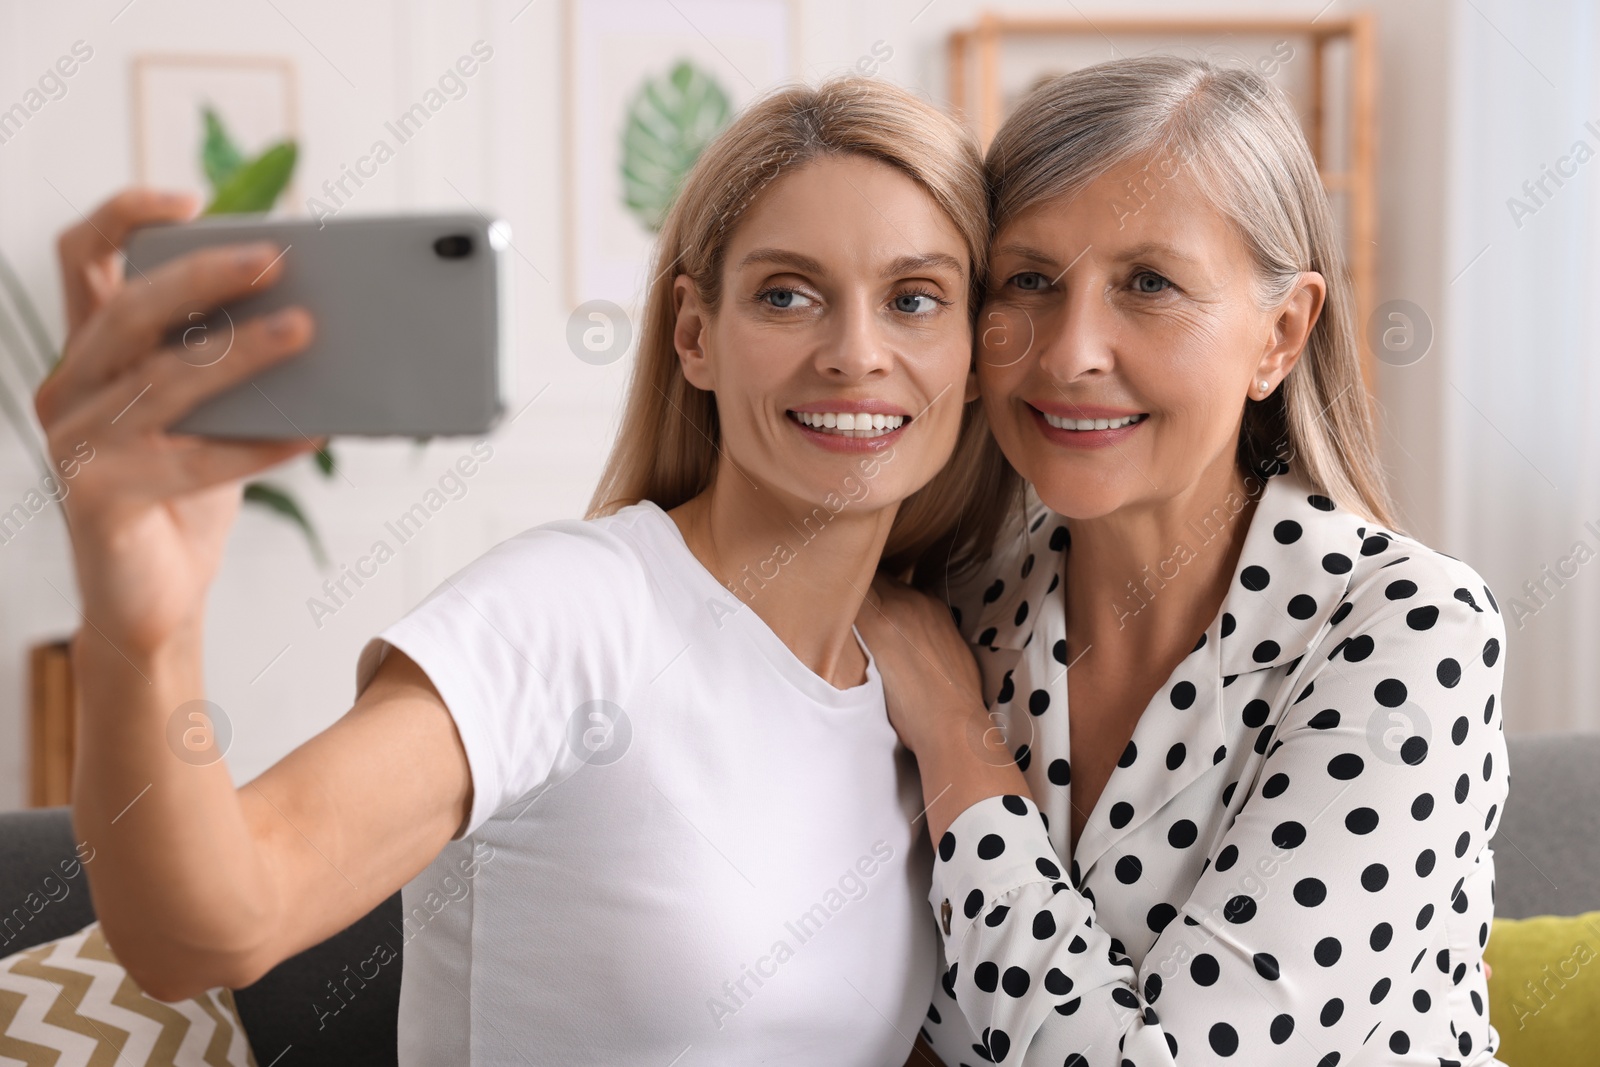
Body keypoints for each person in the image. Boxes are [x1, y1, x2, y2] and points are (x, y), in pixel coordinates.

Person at [37, 77, 1000, 1065]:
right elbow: (205, 928)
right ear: (694, 334)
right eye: (787, 294)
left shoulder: (924, 677)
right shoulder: (575, 608)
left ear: (974, 354)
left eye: (914, 298)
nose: (855, 352)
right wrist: (142, 626)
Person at [862, 56, 1510, 1066]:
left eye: (1148, 283)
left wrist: (956, 740)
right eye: (1029, 279)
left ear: (1280, 333)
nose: (1071, 349)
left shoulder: (1405, 627)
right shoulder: (954, 612)